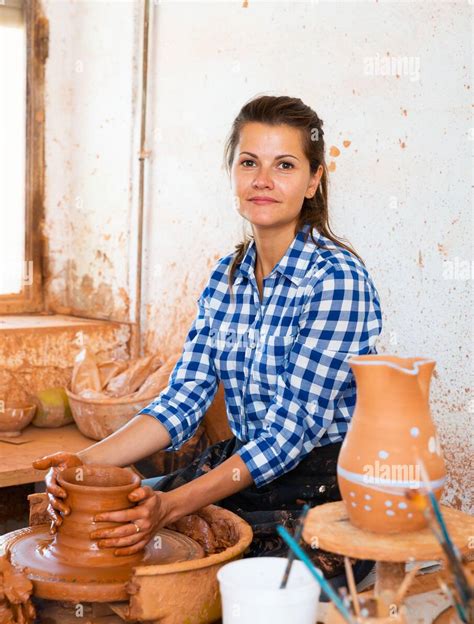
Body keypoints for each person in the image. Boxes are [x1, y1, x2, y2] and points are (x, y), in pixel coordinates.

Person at [34, 95, 382, 590]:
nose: (263, 179)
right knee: (118, 526)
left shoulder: (337, 280)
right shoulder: (227, 277)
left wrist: (172, 506)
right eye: (249, 162)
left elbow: (289, 434)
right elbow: (182, 400)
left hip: (323, 487)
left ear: (313, 181)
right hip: (243, 467)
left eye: (284, 165)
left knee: (236, 584)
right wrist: (84, 464)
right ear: (234, 174)